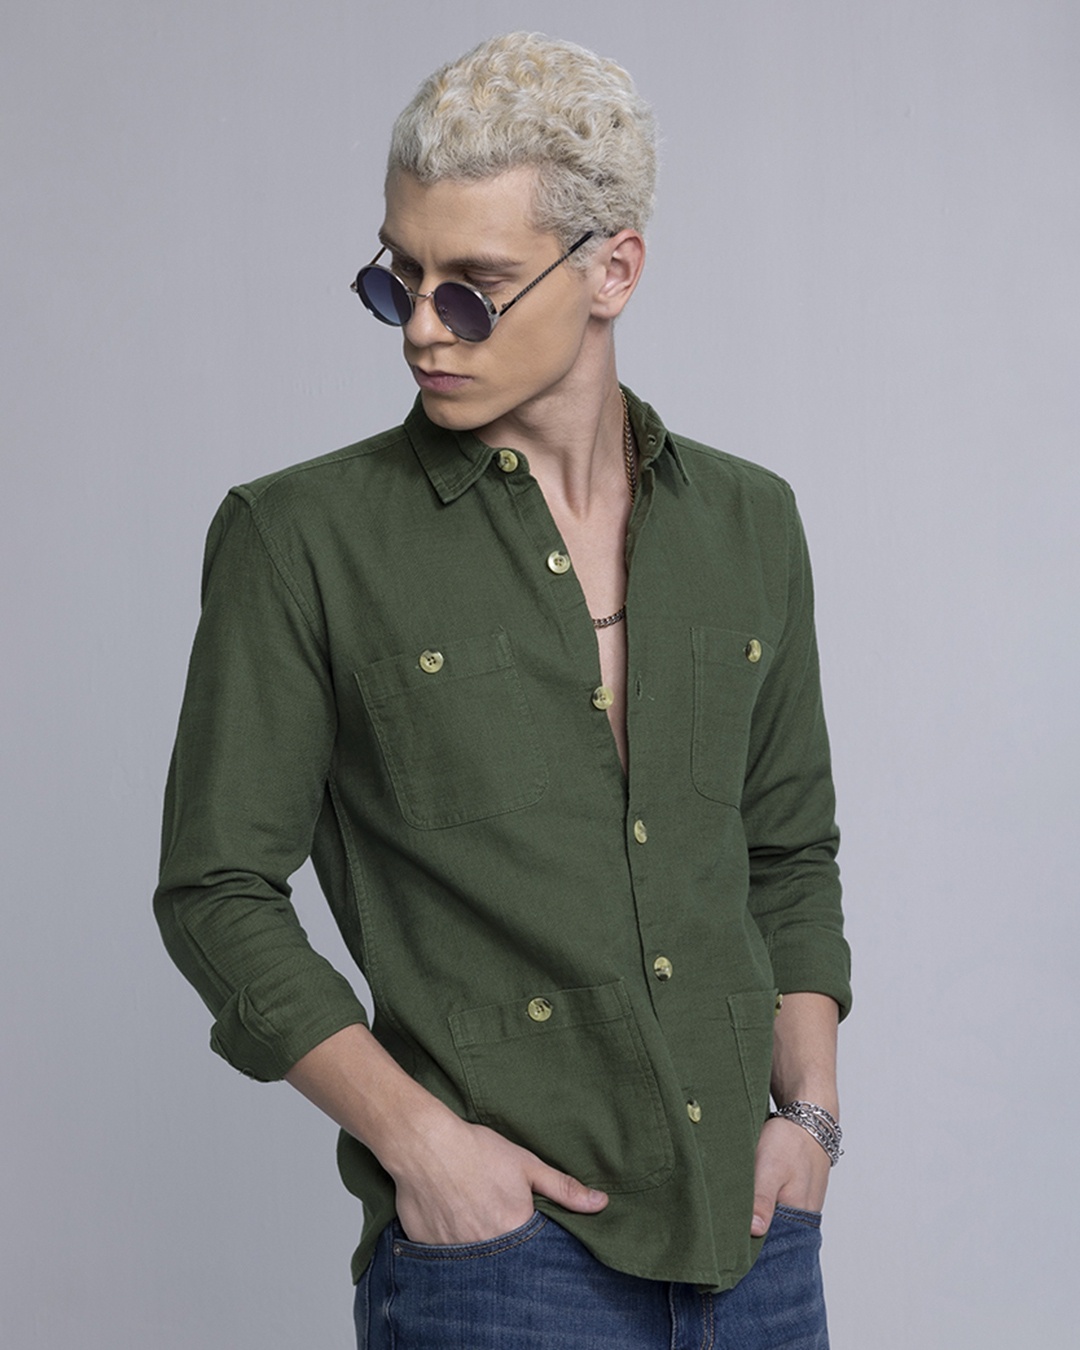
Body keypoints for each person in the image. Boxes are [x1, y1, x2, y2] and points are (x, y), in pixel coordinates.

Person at [155, 32, 851, 1350]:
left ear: (612, 271)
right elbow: (215, 887)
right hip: (503, 1264)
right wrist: (419, 1142)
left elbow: (787, 852)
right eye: (397, 279)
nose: (424, 326)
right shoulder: (301, 539)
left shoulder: (750, 523)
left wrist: (808, 1117)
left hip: (758, 1247)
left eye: (471, 291)